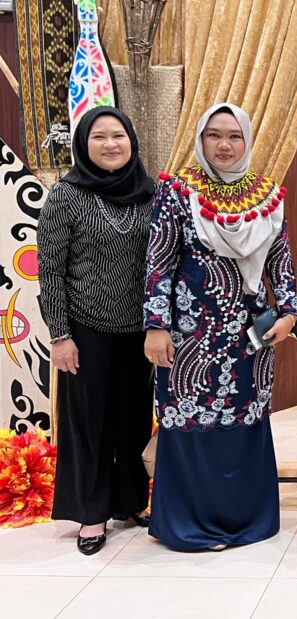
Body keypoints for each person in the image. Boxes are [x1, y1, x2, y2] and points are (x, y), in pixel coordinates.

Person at [143, 103, 297, 551]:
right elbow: (159, 262)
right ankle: (191, 524)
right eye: (214, 135)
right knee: (189, 420)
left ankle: (244, 519)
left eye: (234, 136)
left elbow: (280, 261)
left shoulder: (267, 197)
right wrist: (156, 325)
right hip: (190, 333)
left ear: (247, 140)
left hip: (249, 335)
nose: (224, 145)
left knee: (245, 418)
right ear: (201, 139)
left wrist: (289, 312)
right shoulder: (178, 191)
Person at [39, 106, 157, 555]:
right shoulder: (65, 196)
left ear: (132, 141)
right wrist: (59, 335)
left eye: (118, 136)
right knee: (89, 424)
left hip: (139, 329)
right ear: (83, 144)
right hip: (85, 329)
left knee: (134, 417)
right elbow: (50, 271)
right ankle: (91, 512)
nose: (111, 144)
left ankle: (131, 501)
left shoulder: (151, 193)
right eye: (99, 137)